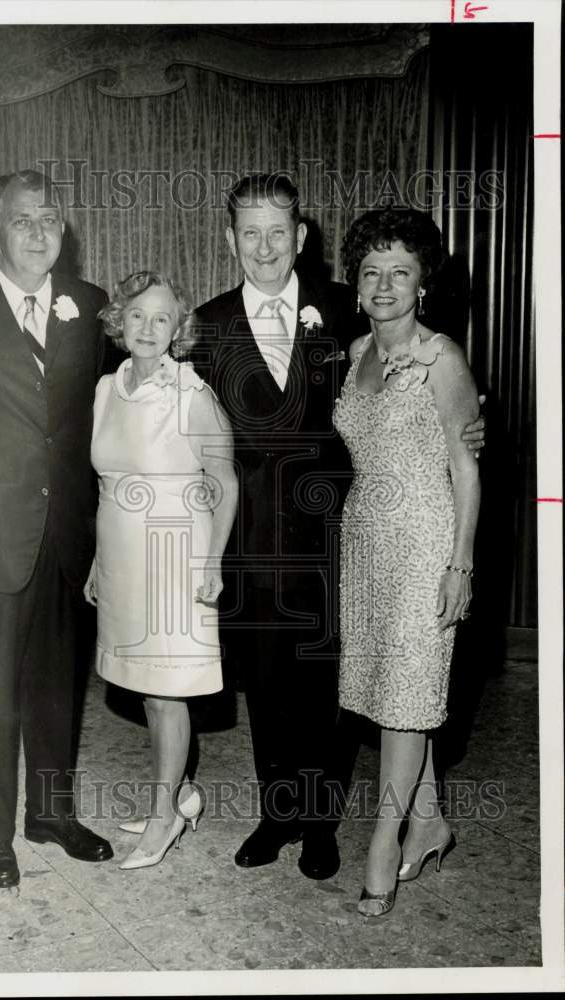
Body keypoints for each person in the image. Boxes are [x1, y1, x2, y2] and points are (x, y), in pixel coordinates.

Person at [192, 174, 486, 880]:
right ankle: (278, 812)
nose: (264, 247)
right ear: (231, 239)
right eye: (249, 232)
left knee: (332, 687)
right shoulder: (203, 325)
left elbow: (406, 370)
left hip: (342, 535)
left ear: (301, 237)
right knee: (265, 683)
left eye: (278, 232)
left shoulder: (346, 309)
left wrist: (467, 425)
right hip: (252, 537)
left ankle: (322, 823)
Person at [0, 169, 112, 889]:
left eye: (50, 217)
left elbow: (133, 385)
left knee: (57, 681)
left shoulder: (90, 304)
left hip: (69, 529)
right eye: (22, 220)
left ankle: (49, 813)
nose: (39, 231)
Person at [333, 207, 480, 917]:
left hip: (425, 540)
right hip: (364, 541)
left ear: (424, 283)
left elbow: (466, 465)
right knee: (390, 695)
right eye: (371, 272)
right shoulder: (356, 351)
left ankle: (384, 844)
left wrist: (462, 565)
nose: (384, 284)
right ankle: (431, 824)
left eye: (400, 272)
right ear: (356, 284)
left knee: (407, 698)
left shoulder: (442, 357)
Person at [84, 271, 238, 870]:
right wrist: (99, 558)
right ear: (119, 321)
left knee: (168, 694)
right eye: (138, 316)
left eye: (163, 319)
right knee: (148, 690)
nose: (148, 329)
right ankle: (180, 794)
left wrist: (212, 561)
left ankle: (164, 815)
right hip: (122, 555)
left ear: (179, 330)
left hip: (176, 553)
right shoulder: (106, 388)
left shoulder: (190, 394)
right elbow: (107, 482)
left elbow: (224, 481)